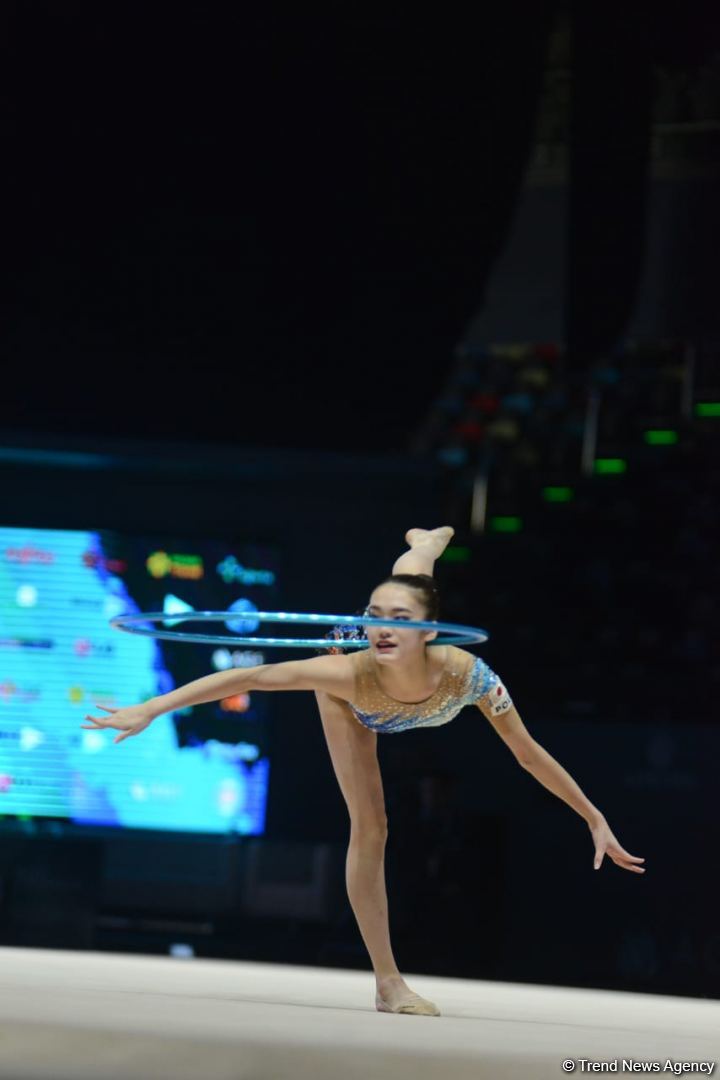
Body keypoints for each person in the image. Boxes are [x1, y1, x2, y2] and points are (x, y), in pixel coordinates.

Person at [82, 526, 646, 1017]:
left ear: (432, 632)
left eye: (398, 621)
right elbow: (248, 680)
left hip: (417, 670)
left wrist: (593, 817)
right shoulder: (347, 673)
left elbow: (526, 752)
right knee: (371, 825)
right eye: (374, 618)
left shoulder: (469, 673)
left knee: (413, 574)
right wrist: (151, 709)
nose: (381, 627)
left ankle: (424, 545)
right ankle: (388, 984)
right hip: (358, 704)